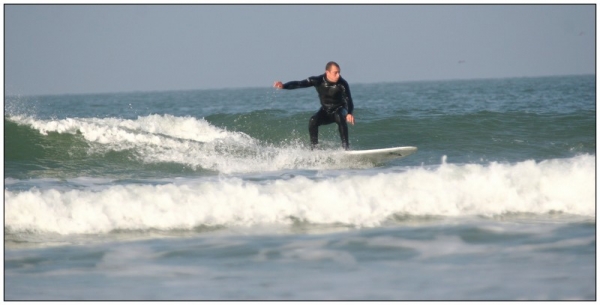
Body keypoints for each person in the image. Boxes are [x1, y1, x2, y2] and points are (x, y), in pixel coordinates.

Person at [273, 61, 355, 150]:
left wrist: (349, 113)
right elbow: (299, 84)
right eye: (335, 73)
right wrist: (283, 86)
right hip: (326, 110)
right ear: (327, 72)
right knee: (313, 121)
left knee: (339, 115)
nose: (338, 75)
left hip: (340, 109)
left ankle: (346, 148)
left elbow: (349, 100)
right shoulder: (317, 80)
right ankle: (314, 149)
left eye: (339, 72)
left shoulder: (342, 84)